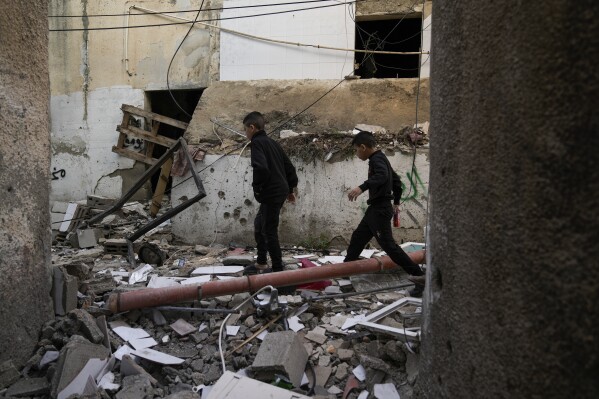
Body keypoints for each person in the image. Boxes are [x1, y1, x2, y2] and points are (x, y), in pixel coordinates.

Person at [344, 131, 426, 297]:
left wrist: (361, 187)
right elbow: (397, 183)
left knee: (390, 247)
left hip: (380, 210)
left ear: (363, 147)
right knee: (358, 237)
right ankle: (345, 269)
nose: (357, 154)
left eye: (357, 150)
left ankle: (419, 276)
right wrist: (396, 202)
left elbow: (382, 177)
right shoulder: (381, 159)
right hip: (376, 208)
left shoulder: (377, 160)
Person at [242, 111, 298, 275]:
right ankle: (261, 262)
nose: (246, 133)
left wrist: (258, 188)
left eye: (245, 129)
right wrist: (290, 189)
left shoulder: (257, 143)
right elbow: (290, 168)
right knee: (260, 225)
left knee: (268, 229)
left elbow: (261, 168)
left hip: (271, 193)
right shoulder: (273, 143)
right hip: (279, 191)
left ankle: (278, 269)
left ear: (252, 127)